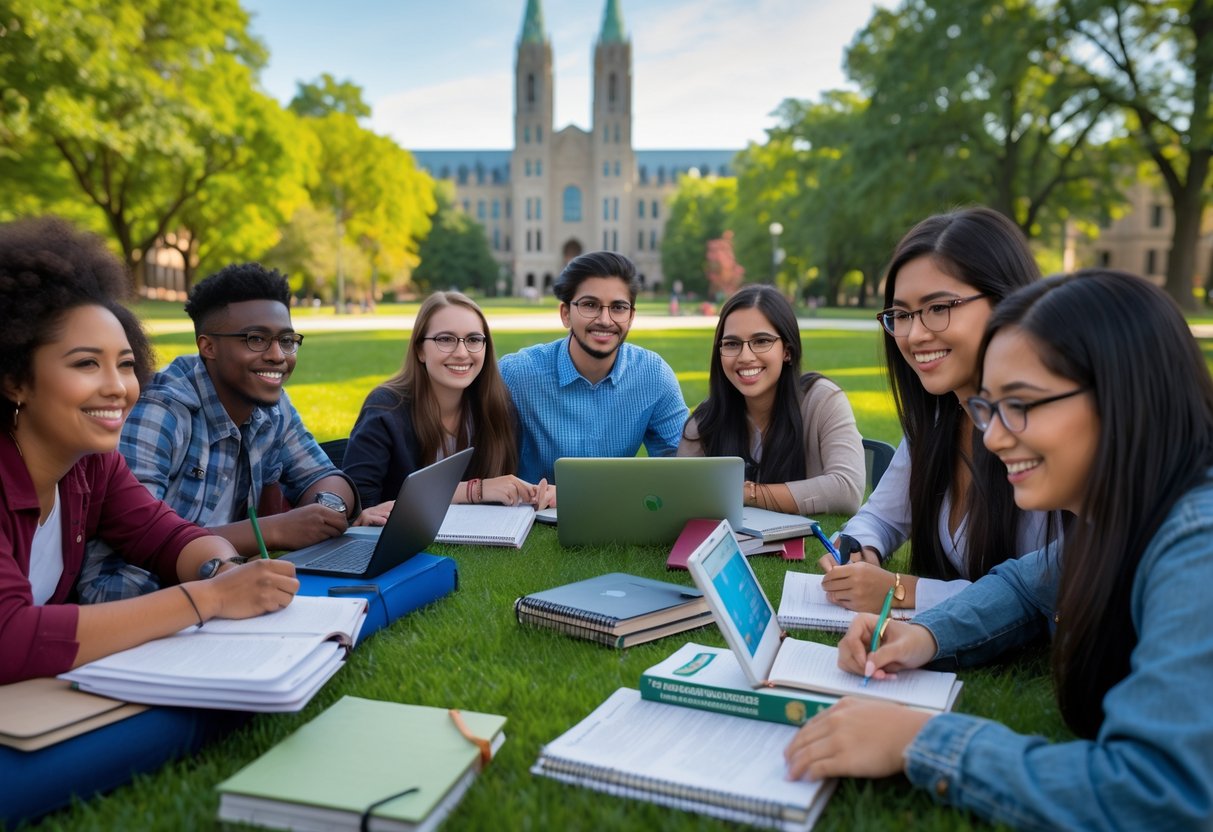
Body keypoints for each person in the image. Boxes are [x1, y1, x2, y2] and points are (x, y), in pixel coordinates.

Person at [786, 269, 1213, 829]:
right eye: (990, 408)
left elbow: (1161, 795)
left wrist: (923, 740)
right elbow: (1025, 585)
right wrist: (923, 635)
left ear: (1124, 397)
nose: (991, 437)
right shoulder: (1120, 522)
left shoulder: (1196, 544)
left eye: (1023, 404)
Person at [0, 217, 297, 684]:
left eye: (125, 364)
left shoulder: (92, 467)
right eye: (85, 364)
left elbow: (166, 536)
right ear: (15, 379)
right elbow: (10, 638)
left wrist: (221, 568)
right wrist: (210, 598)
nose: (118, 388)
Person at [819, 207, 1059, 613]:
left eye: (938, 307)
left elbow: (1052, 590)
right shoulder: (938, 420)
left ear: (1006, 301)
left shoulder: (1060, 428)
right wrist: (860, 551)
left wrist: (901, 590)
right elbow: (881, 517)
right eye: (901, 314)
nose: (914, 334)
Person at [77, 263, 359, 603]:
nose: (277, 356)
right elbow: (143, 541)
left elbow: (324, 474)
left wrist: (326, 510)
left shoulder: (271, 404)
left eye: (286, 340)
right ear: (208, 347)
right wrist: (277, 530)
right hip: (136, 596)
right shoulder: (162, 410)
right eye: (256, 339)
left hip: (224, 584)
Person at [343, 291, 553, 522]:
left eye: (473, 340)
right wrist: (473, 490)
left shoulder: (498, 407)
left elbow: (500, 495)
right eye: (445, 339)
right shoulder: (386, 407)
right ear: (420, 350)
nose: (462, 353)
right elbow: (360, 507)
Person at [499, 251, 689, 483]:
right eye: (590, 305)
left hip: (613, 511)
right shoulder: (517, 374)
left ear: (630, 317)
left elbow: (684, 467)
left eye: (618, 307)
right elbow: (476, 461)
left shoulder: (654, 376)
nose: (605, 320)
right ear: (566, 314)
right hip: (531, 513)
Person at [678, 284, 864, 515]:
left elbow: (847, 491)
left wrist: (747, 493)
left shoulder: (823, 401)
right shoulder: (708, 419)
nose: (745, 357)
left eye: (761, 341)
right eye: (732, 344)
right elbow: (682, 494)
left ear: (787, 350)